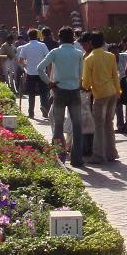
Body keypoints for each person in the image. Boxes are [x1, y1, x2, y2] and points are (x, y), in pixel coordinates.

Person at [37, 27, 86, 167]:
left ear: (59, 38)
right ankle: (77, 159)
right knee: (77, 126)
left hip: (59, 90)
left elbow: (40, 68)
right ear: (73, 38)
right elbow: (81, 73)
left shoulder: (55, 52)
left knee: (58, 126)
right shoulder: (78, 54)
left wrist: (49, 82)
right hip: (75, 90)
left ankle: (59, 158)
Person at [82, 32, 122, 164]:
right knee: (109, 123)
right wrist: (118, 91)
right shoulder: (110, 56)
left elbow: (86, 82)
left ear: (91, 43)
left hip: (99, 94)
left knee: (98, 125)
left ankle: (99, 155)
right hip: (112, 92)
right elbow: (115, 75)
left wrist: (84, 85)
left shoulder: (89, 59)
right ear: (104, 42)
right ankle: (112, 153)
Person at [16, 29, 50, 118]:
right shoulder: (42, 45)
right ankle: (45, 110)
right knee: (43, 92)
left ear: (28, 36)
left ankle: (31, 112)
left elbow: (20, 60)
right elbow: (48, 57)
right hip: (41, 72)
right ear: (37, 35)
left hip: (30, 72)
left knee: (31, 93)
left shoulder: (25, 47)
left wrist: (26, 65)